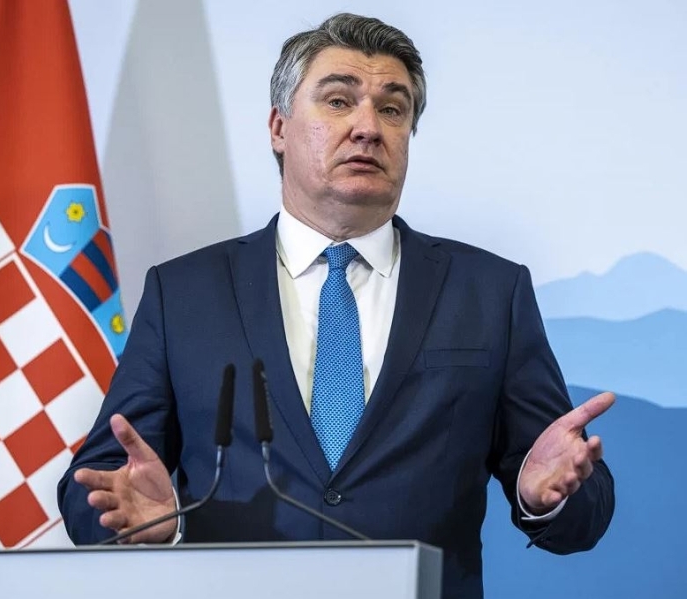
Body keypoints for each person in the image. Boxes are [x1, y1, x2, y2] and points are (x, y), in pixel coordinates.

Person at [57, 13, 614, 599]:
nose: (368, 127)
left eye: (392, 109)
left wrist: (546, 497)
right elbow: (95, 487)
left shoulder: (489, 291)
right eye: (339, 101)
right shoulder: (184, 293)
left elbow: (581, 505)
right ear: (279, 127)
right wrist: (143, 523)